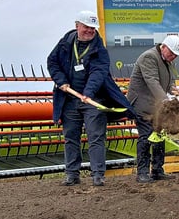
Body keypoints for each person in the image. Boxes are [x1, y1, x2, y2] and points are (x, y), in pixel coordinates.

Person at [47, 10, 133, 187]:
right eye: (86, 27)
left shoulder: (99, 48)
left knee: (96, 137)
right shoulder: (65, 42)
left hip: (94, 100)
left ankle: (98, 175)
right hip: (69, 99)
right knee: (71, 137)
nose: (90, 31)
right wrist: (61, 81)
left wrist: (89, 92)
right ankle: (72, 175)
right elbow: (52, 62)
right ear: (77, 25)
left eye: (93, 28)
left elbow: (99, 72)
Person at [127, 34, 179, 183]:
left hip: (156, 105)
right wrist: (165, 100)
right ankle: (142, 172)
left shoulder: (168, 60)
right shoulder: (149, 57)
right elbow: (152, 81)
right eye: (172, 53)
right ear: (163, 47)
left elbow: (169, 81)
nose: (174, 57)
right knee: (146, 136)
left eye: (176, 55)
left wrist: (174, 89)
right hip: (141, 104)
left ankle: (158, 170)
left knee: (160, 135)